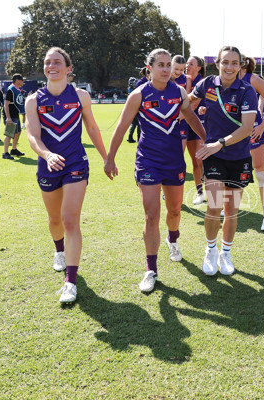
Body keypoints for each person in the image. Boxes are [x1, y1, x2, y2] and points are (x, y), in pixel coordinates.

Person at [104, 48, 206, 293]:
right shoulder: (138, 95)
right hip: (148, 161)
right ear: (149, 68)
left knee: (174, 211)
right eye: (160, 64)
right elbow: (121, 127)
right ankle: (151, 269)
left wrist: (208, 141)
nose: (165, 69)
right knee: (151, 215)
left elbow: (191, 118)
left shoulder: (179, 92)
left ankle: (173, 239)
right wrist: (110, 158)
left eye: (168, 65)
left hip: (174, 161)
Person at [25, 47, 109, 303]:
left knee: (70, 219)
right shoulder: (33, 100)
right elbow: (32, 136)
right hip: (48, 166)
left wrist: (107, 158)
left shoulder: (81, 96)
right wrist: (47, 155)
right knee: (54, 220)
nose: (52, 66)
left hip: (76, 163)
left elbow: (92, 127)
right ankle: (59, 250)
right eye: (48, 62)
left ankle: (70, 282)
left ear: (68, 68)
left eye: (58, 62)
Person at [189, 45, 257, 276]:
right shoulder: (207, 84)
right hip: (214, 155)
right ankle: (210, 250)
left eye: (234, 63)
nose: (229, 67)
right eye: (225, 62)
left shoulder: (247, 91)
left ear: (240, 66)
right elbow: (185, 104)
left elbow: (247, 128)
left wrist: (220, 142)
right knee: (215, 204)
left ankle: (226, 253)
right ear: (217, 64)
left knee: (231, 210)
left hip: (238, 156)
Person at [239, 56, 264, 231]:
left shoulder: (254, 80)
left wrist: (262, 125)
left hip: (254, 130)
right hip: (235, 133)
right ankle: (231, 208)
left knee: (260, 172)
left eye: (236, 62)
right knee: (236, 170)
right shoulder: (226, 80)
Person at [185, 55, 207, 205]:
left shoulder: (201, 82)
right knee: (194, 161)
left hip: (200, 125)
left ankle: (210, 186)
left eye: (191, 64)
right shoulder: (183, 80)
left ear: (199, 67)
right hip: (186, 125)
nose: (187, 66)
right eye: (187, 63)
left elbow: (192, 105)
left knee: (201, 160)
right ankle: (200, 193)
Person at [171, 55, 192, 152]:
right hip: (166, 120)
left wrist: (179, 117)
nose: (179, 72)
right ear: (171, 65)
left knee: (179, 155)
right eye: (176, 69)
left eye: (182, 69)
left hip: (181, 120)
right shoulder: (164, 78)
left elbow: (187, 103)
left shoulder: (187, 79)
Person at [2, 74, 26, 159]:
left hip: (15, 114)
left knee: (18, 132)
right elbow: (6, 104)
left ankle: (14, 149)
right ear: (17, 80)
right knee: (9, 133)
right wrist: (8, 117)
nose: (23, 81)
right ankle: (5, 153)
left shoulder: (17, 89)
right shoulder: (10, 90)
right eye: (21, 79)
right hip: (10, 115)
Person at [127, 67, 149, 143]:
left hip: (138, 105)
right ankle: (139, 138)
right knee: (139, 123)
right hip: (140, 105)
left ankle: (130, 137)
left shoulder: (141, 81)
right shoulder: (142, 82)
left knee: (134, 123)